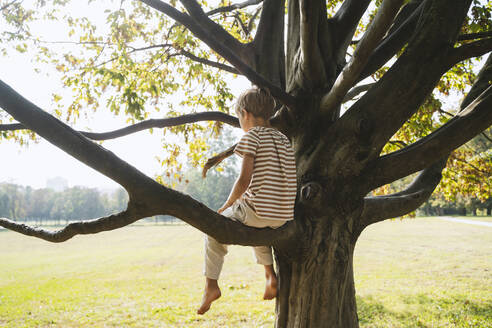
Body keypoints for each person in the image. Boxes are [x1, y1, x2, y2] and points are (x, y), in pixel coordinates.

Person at [197, 87, 297, 315]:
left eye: (239, 117)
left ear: (245, 114)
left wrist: (227, 205)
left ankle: (211, 286)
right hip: (282, 216)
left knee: (213, 229)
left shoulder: (252, 136)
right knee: (255, 225)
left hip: (258, 211)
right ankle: (270, 275)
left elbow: (244, 180)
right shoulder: (283, 139)